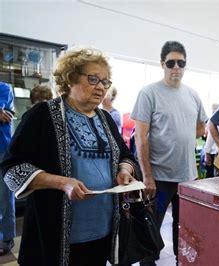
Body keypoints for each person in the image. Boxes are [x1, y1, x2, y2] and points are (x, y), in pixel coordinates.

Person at [0, 48, 139, 265]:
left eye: (105, 81)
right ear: (70, 78)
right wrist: (62, 183)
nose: (101, 87)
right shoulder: (42, 115)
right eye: (93, 79)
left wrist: (124, 171)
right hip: (56, 236)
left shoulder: (106, 119)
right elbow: (12, 168)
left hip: (102, 230)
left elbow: (126, 155)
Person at [131, 41, 207, 264]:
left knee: (184, 230)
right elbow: (140, 137)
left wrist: (179, 136)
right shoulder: (149, 93)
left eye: (181, 63)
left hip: (187, 179)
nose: (176, 67)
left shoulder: (192, 95)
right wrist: (147, 176)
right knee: (150, 229)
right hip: (159, 179)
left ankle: (180, 261)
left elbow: (201, 126)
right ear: (162, 64)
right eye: (171, 63)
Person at [0, 82, 15, 256]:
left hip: (2, 149)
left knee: (4, 195)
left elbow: (4, 114)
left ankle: (6, 237)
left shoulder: (4, 88)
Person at [203, 103, 219, 178]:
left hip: (217, 152)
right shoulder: (214, 120)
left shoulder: (215, 120)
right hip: (216, 152)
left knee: (216, 177)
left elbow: (209, 137)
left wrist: (207, 152)